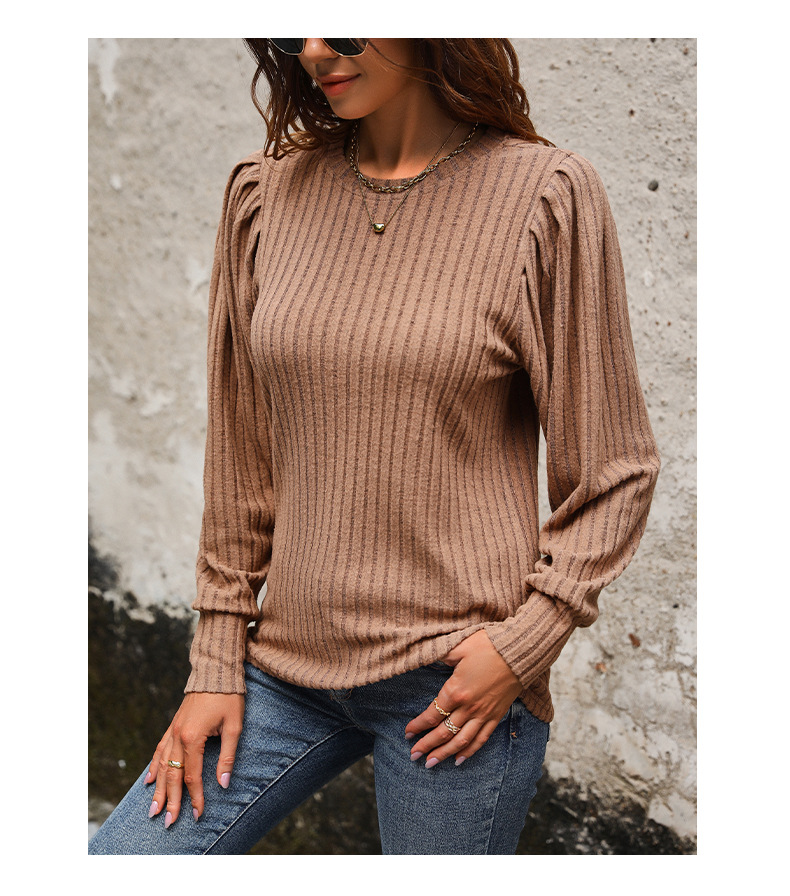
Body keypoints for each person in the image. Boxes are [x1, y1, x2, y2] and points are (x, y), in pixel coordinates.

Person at [89, 38, 660, 855]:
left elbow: (615, 469)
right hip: (281, 667)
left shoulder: (545, 196)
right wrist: (215, 658)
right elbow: (241, 453)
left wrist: (523, 646)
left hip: (452, 685)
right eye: (296, 31)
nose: (315, 51)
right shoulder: (264, 194)